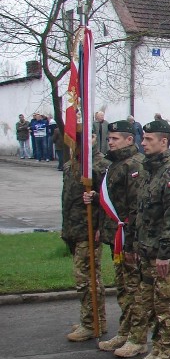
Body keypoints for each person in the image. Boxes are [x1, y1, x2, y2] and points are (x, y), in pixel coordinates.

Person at [125, 120, 170, 359]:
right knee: (152, 302)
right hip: (147, 248)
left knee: (166, 304)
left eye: (149, 139)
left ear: (164, 142)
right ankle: (158, 347)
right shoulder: (149, 171)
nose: (143, 143)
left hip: (165, 252)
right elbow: (141, 213)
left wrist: (165, 254)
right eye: (143, 138)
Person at [85, 120, 147, 356]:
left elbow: (134, 209)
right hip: (116, 236)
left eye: (114, 139)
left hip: (128, 238)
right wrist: (103, 227)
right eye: (109, 139)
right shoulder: (115, 165)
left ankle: (137, 337)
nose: (109, 142)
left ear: (129, 140)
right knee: (123, 288)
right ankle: (125, 331)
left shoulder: (134, 165)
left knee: (134, 289)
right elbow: (111, 201)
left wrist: (131, 242)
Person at [62, 131, 109, 342]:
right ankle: (94, 318)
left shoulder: (98, 165)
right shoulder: (71, 165)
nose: (81, 142)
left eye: (87, 137)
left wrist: (99, 227)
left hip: (89, 229)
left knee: (87, 279)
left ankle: (91, 323)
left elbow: (106, 200)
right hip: (74, 228)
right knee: (88, 278)